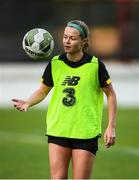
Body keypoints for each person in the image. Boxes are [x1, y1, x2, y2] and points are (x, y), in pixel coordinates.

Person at [12, 20, 117, 179]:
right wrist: (28, 102)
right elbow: (42, 90)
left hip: (85, 133)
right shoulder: (55, 63)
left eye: (73, 38)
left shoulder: (95, 65)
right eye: (65, 37)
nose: (67, 41)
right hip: (58, 129)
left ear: (84, 41)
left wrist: (111, 126)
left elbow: (111, 94)